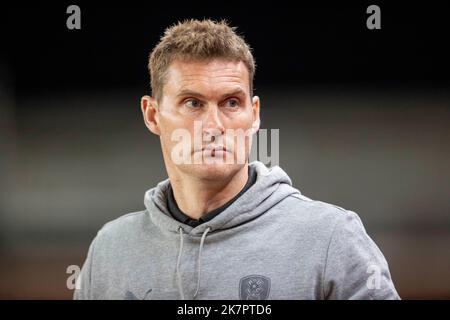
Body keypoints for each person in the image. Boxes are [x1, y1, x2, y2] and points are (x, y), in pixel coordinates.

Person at [74, 19, 400, 300]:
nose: (214, 126)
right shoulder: (110, 251)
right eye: (192, 103)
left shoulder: (331, 239)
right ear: (152, 114)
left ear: (254, 115)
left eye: (231, 103)